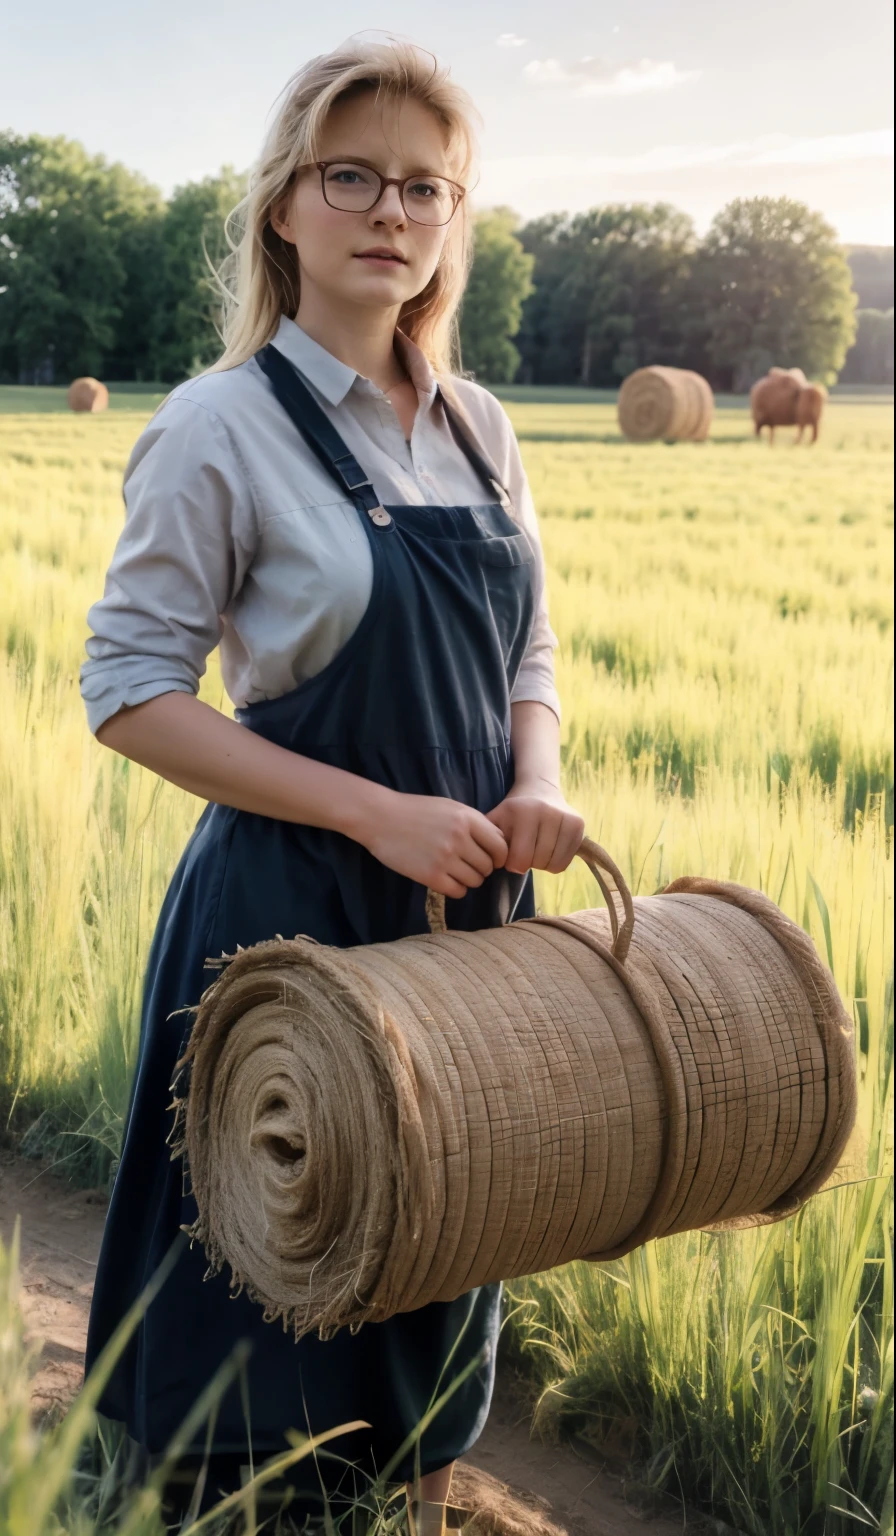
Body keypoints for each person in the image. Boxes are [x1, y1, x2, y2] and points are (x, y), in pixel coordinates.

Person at [79, 35, 584, 1535]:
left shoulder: (480, 427)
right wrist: (375, 812)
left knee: (437, 1248)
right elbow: (128, 694)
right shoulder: (219, 425)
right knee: (262, 1272)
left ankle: (412, 1499)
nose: (391, 209)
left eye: (426, 185)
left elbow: (531, 651)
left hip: (461, 921)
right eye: (351, 175)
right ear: (283, 208)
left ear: (453, 220)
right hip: (289, 918)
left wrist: (538, 781)